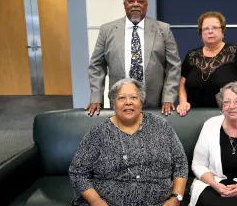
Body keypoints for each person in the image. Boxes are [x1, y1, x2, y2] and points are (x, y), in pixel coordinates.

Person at [69, 78, 188, 206]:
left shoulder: (161, 126)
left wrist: (175, 198)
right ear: (113, 103)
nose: (128, 102)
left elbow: (180, 164)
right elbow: (78, 172)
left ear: (141, 102)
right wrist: (95, 201)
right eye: (121, 98)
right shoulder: (98, 132)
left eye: (133, 97)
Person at [86, 0, 181, 117]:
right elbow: (96, 66)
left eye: (140, 1)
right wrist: (96, 98)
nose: (135, 4)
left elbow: (174, 66)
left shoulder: (163, 30)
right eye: (131, 1)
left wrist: (168, 97)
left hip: (154, 103)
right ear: (124, 4)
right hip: (120, 102)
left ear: (146, 5)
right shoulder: (107, 30)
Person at [176, 11, 237, 119]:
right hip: (194, 116)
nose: (210, 31)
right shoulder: (191, 55)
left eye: (215, 28)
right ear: (201, 33)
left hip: (229, 115)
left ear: (223, 31)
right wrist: (183, 102)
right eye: (206, 28)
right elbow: (181, 83)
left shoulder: (235, 51)